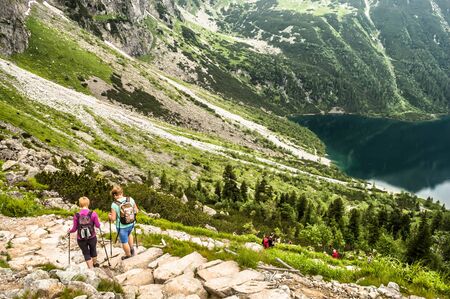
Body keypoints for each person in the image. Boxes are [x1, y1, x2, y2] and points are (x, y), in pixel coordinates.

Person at [68, 196, 101, 268]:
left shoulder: (76, 215)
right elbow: (98, 226)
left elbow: (74, 229)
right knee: (93, 250)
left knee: (86, 253)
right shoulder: (93, 213)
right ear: (88, 203)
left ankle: (91, 269)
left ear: (80, 204)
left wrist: (69, 231)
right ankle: (95, 264)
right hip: (92, 237)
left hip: (81, 238)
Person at [108, 185, 139, 260]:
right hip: (131, 223)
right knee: (129, 234)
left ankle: (128, 255)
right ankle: (132, 249)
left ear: (115, 195)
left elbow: (113, 219)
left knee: (124, 242)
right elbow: (136, 211)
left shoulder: (114, 204)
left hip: (122, 226)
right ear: (122, 192)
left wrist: (109, 216)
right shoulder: (130, 199)